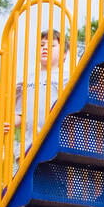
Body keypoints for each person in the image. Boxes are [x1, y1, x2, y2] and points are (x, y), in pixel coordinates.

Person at [8, 28, 67, 160]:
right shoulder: (25, 80)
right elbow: (20, 115)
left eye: (51, 45)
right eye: (41, 45)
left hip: (54, 143)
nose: (45, 48)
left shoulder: (66, 78)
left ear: (63, 54)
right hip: (28, 146)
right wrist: (9, 123)